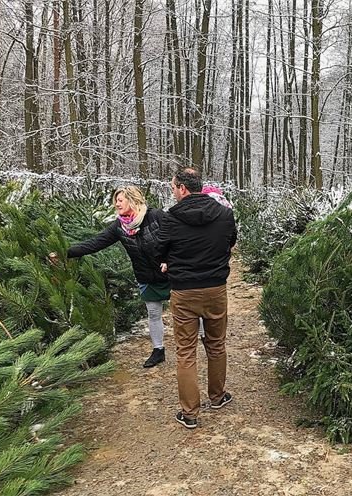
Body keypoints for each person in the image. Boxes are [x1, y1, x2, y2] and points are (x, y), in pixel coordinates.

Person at [49, 186, 170, 368]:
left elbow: (178, 238)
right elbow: (95, 242)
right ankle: (158, 350)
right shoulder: (119, 226)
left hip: (171, 272)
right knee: (153, 313)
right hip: (146, 276)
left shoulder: (156, 216)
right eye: (116, 200)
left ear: (133, 199)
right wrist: (64, 252)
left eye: (120, 200)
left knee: (190, 308)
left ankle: (203, 338)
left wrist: (171, 260)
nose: (117, 203)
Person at [155, 168, 238, 429]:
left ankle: (190, 413)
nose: (173, 192)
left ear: (182, 188)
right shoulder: (225, 215)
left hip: (184, 292)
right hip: (216, 289)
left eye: (173, 187)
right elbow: (230, 242)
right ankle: (217, 396)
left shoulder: (170, 219)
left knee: (186, 352)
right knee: (216, 345)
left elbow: (159, 250)